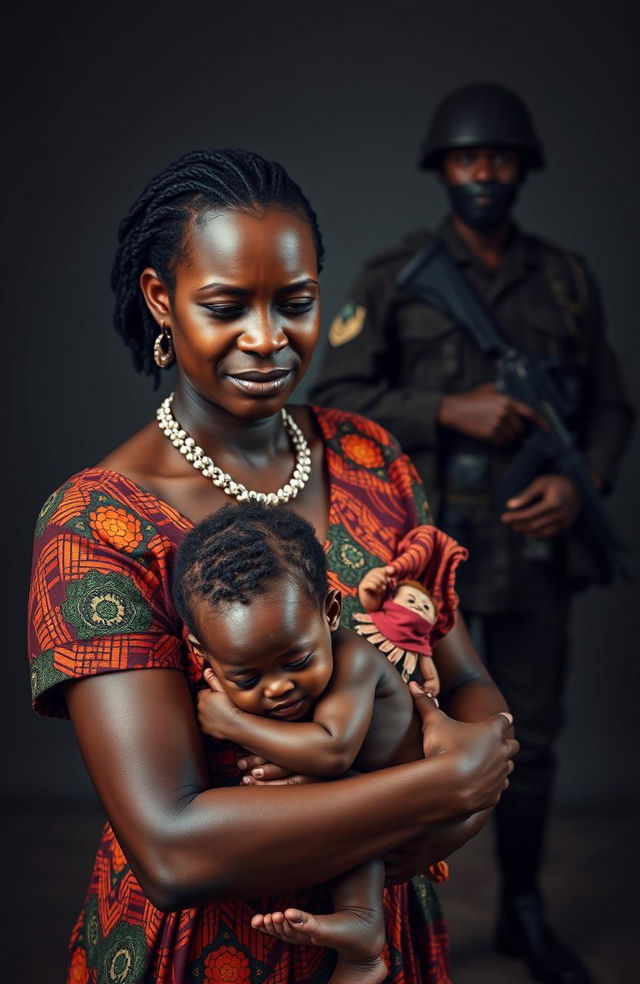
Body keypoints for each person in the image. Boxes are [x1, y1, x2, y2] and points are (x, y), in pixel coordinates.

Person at [27, 149, 518, 984]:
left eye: (295, 302)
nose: (267, 338)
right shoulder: (95, 524)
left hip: (384, 935)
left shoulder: (372, 456)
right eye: (225, 306)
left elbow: (465, 679)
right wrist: (448, 786)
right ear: (161, 300)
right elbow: (176, 851)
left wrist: (465, 755)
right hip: (206, 956)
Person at [310, 84, 634, 984]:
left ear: (522, 167)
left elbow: (609, 406)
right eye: (466, 158)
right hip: (422, 560)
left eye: (498, 158)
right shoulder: (392, 280)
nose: (484, 172)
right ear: (441, 167)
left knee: (530, 739)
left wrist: (585, 480)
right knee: (391, 733)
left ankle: (523, 912)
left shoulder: (566, 280)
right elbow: (333, 400)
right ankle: (383, 919)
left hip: (534, 554)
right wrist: (448, 408)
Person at [173, 501, 465, 984]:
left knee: (340, 785)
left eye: (295, 660)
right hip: (368, 800)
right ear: (204, 655)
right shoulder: (273, 653)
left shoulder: (354, 658)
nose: (277, 688)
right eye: (246, 676)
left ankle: (365, 937)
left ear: (330, 611)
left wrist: (234, 723)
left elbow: (332, 752)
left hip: (407, 803)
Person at [354, 523, 467, 690]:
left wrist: (431, 684)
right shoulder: (380, 612)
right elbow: (370, 602)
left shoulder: (420, 644)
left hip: (396, 687)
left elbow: (430, 676)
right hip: (359, 668)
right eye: (411, 600)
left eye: (427, 607)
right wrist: (369, 587)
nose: (419, 607)